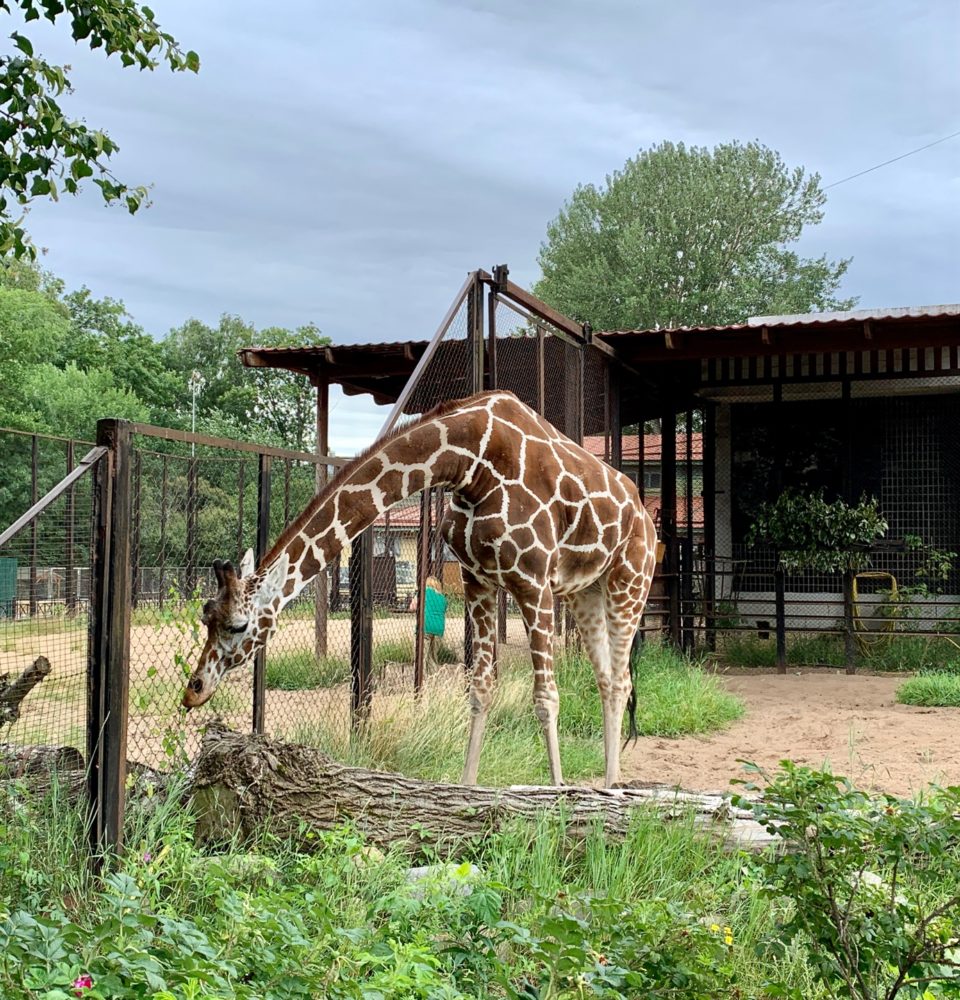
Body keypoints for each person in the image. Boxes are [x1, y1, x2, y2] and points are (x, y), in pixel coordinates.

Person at [410, 575, 447, 668]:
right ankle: (434, 679)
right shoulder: (443, 598)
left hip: (425, 627)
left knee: (421, 658)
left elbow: (412, 607)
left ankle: (421, 679)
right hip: (438, 629)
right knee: (433, 659)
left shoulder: (423, 593)